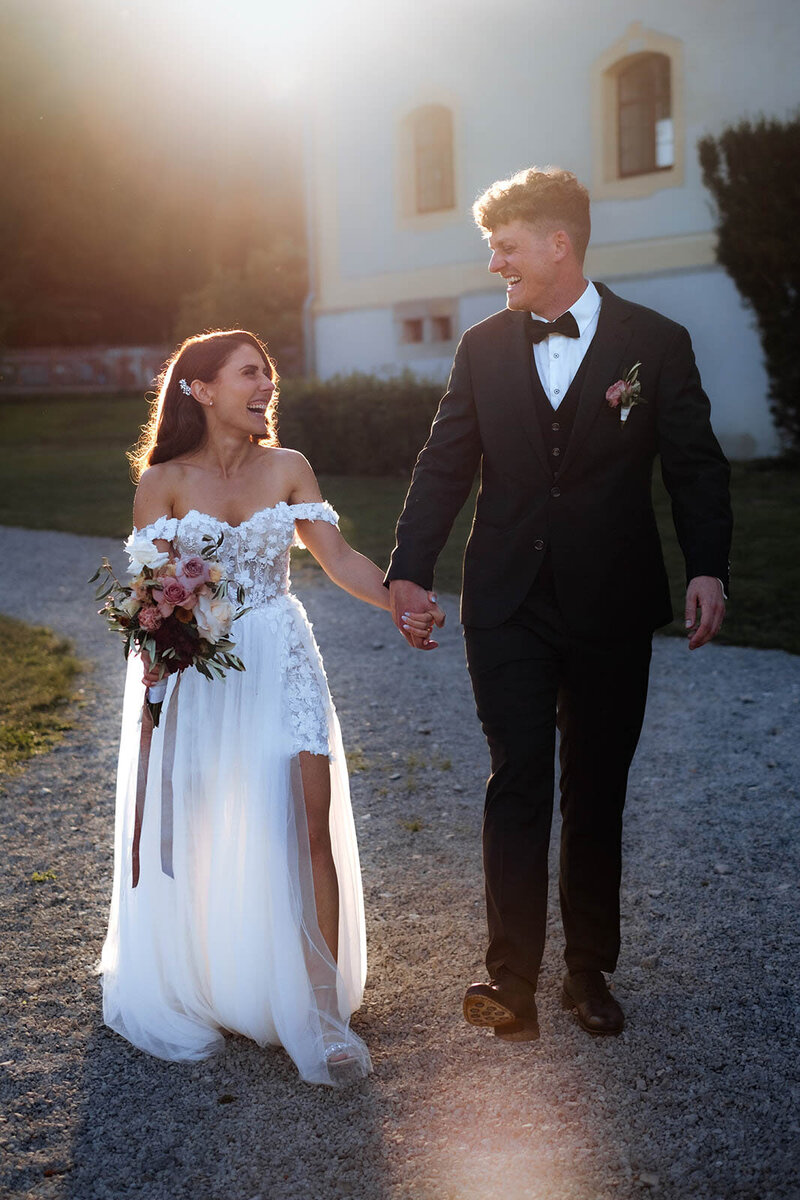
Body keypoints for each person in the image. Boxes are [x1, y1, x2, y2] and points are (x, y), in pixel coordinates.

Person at [386, 167, 732, 1042]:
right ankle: (511, 982)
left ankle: (587, 974)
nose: (495, 262)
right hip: (504, 600)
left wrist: (708, 566)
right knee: (517, 781)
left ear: (558, 244)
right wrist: (408, 568)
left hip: (611, 602)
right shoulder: (481, 347)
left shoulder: (658, 342)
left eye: (505, 246)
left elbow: (693, 464)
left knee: (597, 789)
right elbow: (444, 465)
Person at [99, 329, 438, 1086]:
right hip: (201, 676)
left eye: (269, 376)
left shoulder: (289, 468)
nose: (266, 387)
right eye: (250, 374)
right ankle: (215, 979)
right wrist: (156, 669)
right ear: (202, 388)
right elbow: (150, 599)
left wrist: (398, 600)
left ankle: (322, 1016)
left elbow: (339, 558)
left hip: (282, 658)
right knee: (204, 828)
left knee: (305, 826)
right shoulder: (162, 482)